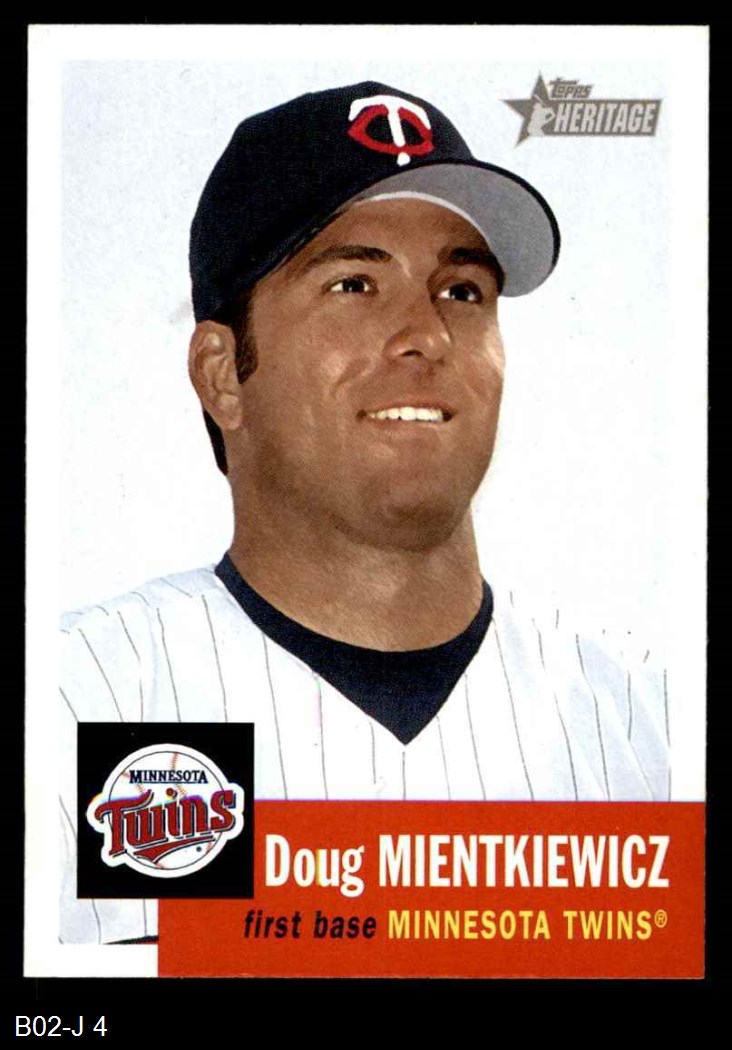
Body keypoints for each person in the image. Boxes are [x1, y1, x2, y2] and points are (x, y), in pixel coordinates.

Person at [59, 81, 669, 944]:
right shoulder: (76, 702)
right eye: (355, 283)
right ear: (223, 374)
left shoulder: (651, 719)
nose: (426, 334)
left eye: (462, 291)